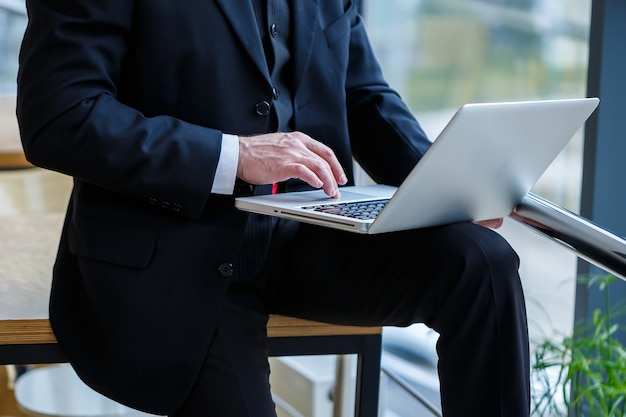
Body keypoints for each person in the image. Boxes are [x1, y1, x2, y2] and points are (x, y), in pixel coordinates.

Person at [16, 0, 530, 416]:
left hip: (310, 234)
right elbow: (60, 116)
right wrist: (234, 154)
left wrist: (446, 186)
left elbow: (364, 94)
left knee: (482, 263)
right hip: (177, 255)